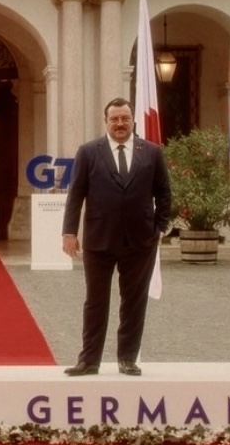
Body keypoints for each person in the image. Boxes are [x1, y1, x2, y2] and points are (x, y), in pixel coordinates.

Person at [61, 97, 172, 377]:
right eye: (114, 119)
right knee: (95, 301)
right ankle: (89, 361)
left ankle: (127, 359)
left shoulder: (152, 152)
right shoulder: (88, 152)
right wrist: (69, 232)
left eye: (125, 118)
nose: (120, 124)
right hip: (99, 239)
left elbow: (164, 192)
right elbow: (76, 194)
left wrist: (159, 227)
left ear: (133, 120)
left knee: (134, 301)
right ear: (106, 121)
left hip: (141, 241)